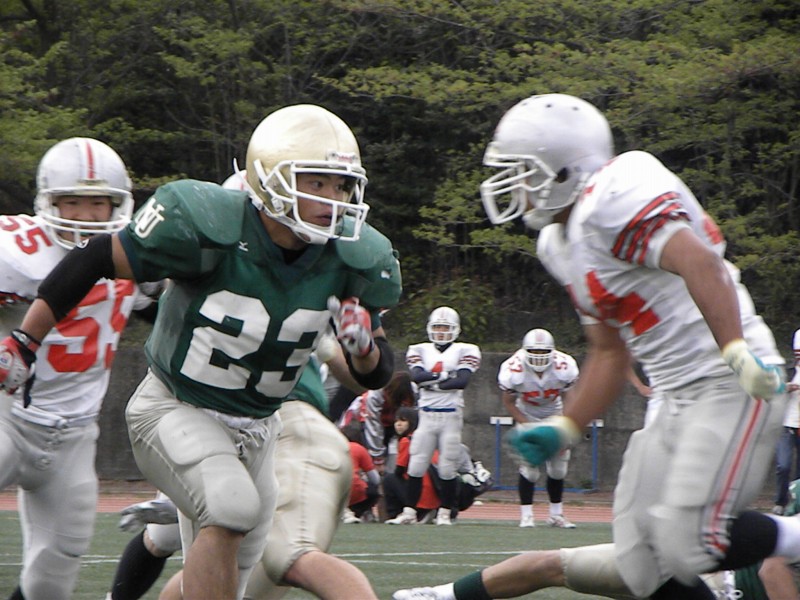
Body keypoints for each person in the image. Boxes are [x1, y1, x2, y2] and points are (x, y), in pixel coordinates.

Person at [0, 104, 402, 600]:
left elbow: (374, 375)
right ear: (269, 179)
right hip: (175, 406)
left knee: (234, 574)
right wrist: (26, 340)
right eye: (316, 182)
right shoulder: (208, 223)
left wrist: (362, 348)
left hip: (260, 428)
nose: (331, 199)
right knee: (230, 506)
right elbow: (97, 256)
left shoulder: (353, 256)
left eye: (340, 186)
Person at [476, 92, 793, 598]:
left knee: (693, 542)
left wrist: (735, 350)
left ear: (565, 172)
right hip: (672, 393)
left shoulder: (612, 197)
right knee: (641, 564)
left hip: (727, 378)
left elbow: (700, 263)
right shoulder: (559, 244)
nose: (517, 187)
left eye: (526, 173)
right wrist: (566, 425)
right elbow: (608, 351)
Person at [0, 137, 160, 600]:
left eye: (98, 203)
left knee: (50, 584)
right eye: (72, 202)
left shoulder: (134, 256)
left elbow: (167, 310)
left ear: (119, 204)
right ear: (48, 202)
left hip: (73, 440)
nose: (86, 216)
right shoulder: (15, 250)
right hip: (9, 419)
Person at [108, 336, 382, 600]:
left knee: (289, 553)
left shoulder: (292, 311)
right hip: (222, 428)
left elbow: (361, 376)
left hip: (286, 426)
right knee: (181, 563)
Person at [386, 306, 481, 526]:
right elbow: (417, 377)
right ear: (430, 328)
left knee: (447, 467)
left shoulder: (466, 350)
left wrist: (432, 381)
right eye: (437, 327)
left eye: (445, 328)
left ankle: (444, 513)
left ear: (455, 329)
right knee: (416, 465)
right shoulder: (418, 349)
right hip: (426, 417)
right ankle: (409, 512)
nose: (441, 332)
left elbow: (462, 381)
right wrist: (447, 376)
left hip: (450, 417)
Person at [498, 328, 579, 529]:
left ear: (552, 352)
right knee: (529, 469)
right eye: (534, 351)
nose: (539, 356)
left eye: (543, 352)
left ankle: (556, 515)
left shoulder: (564, 366)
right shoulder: (512, 370)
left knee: (558, 468)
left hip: (555, 413)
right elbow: (508, 402)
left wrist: (565, 423)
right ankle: (526, 515)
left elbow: (571, 397)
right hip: (528, 414)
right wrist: (527, 426)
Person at [337, 370, 416, 471]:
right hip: (363, 421)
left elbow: (413, 416)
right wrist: (377, 459)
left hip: (391, 421)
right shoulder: (375, 394)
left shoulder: (412, 391)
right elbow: (374, 427)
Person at [773, 329, 800, 515]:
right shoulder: (788, 370)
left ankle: (795, 504)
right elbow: (772, 389)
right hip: (786, 423)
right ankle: (780, 501)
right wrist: (786, 387)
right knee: (784, 465)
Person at [341, 422, 382, 524]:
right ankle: (360, 513)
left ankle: (345, 512)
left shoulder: (334, 448)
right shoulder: (359, 448)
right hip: (354, 490)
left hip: (333, 491)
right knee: (372, 490)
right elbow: (375, 479)